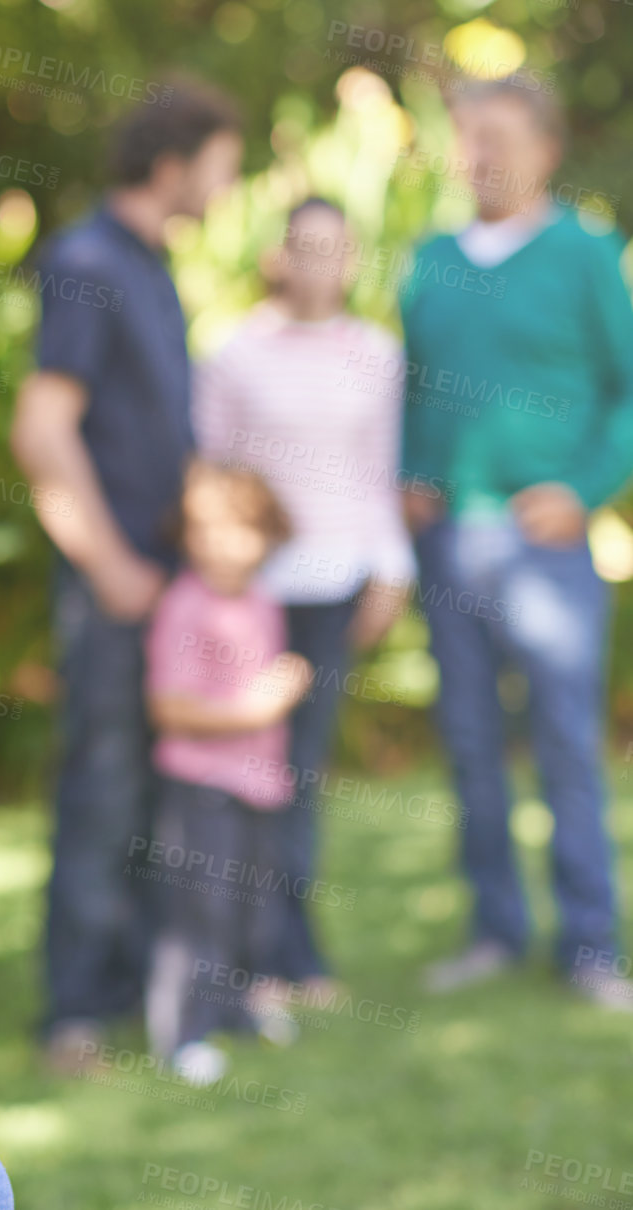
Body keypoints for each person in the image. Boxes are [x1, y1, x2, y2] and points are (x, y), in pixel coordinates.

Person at [10, 81, 243, 1070]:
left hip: (168, 587)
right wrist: (107, 565)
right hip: (118, 586)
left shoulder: (150, 264)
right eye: (223, 164)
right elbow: (43, 428)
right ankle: (72, 1010)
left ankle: (141, 987)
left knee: (155, 792)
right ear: (173, 163)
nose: (230, 186)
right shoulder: (88, 260)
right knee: (101, 788)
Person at [399, 78, 633, 1005]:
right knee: (467, 739)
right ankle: (495, 928)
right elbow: (412, 387)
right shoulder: (428, 260)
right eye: (467, 137)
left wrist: (581, 491)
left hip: (547, 551)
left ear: (544, 147)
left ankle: (589, 943)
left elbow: (625, 394)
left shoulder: (585, 253)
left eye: (497, 136)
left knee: (565, 743)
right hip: (450, 542)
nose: (479, 154)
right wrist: (414, 471)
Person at [193, 197, 415, 990]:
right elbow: (210, 473)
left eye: (335, 248)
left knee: (300, 772)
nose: (319, 262)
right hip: (252, 595)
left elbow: (378, 473)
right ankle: (235, 951)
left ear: (352, 259)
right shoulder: (232, 351)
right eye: (304, 246)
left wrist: (391, 571)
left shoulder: (377, 355)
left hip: (335, 586)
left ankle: (291, 950)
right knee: (238, 766)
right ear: (278, 256)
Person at [141, 461, 311, 1086]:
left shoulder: (262, 600)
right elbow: (170, 707)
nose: (219, 543)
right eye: (203, 528)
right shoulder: (186, 606)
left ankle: (237, 1009)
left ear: (268, 535)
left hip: (259, 784)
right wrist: (257, 707)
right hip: (203, 785)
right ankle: (183, 1033)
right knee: (201, 913)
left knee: (252, 908)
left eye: (238, 528)